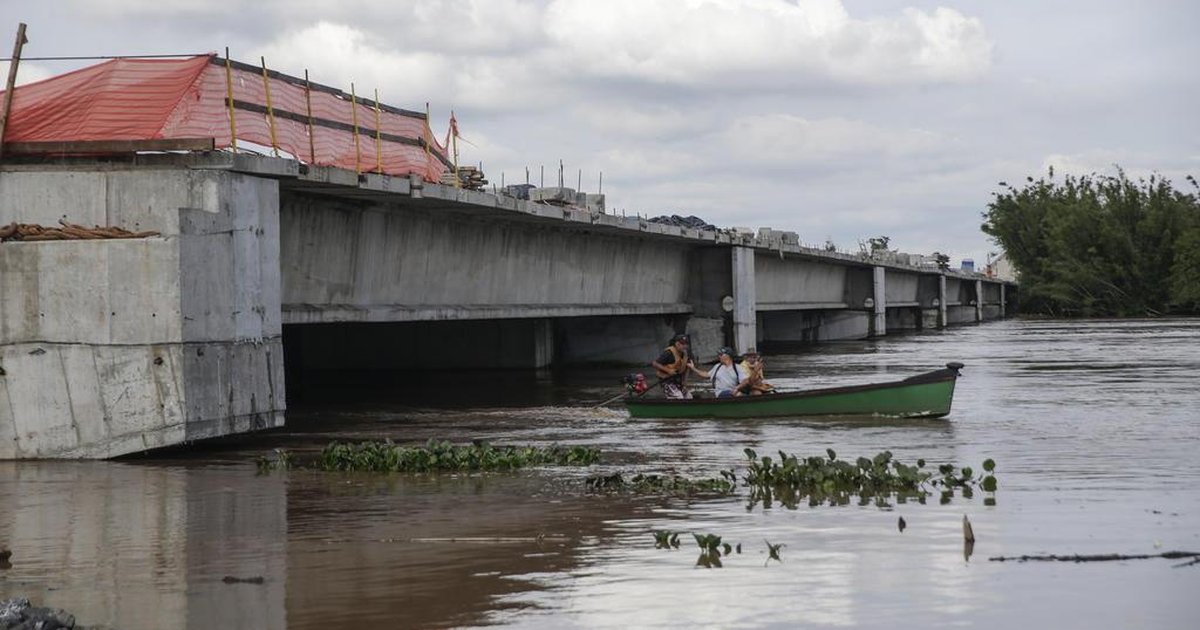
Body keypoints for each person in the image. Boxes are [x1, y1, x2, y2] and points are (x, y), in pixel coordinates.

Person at [651, 333, 695, 399]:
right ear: (676, 344)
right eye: (682, 344)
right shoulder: (669, 353)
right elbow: (654, 363)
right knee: (679, 397)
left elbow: (687, 368)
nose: (684, 346)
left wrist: (684, 383)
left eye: (686, 344)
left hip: (678, 381)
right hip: (667, 381)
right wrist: (668, 370)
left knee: (689, 397)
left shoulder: (686, 354)